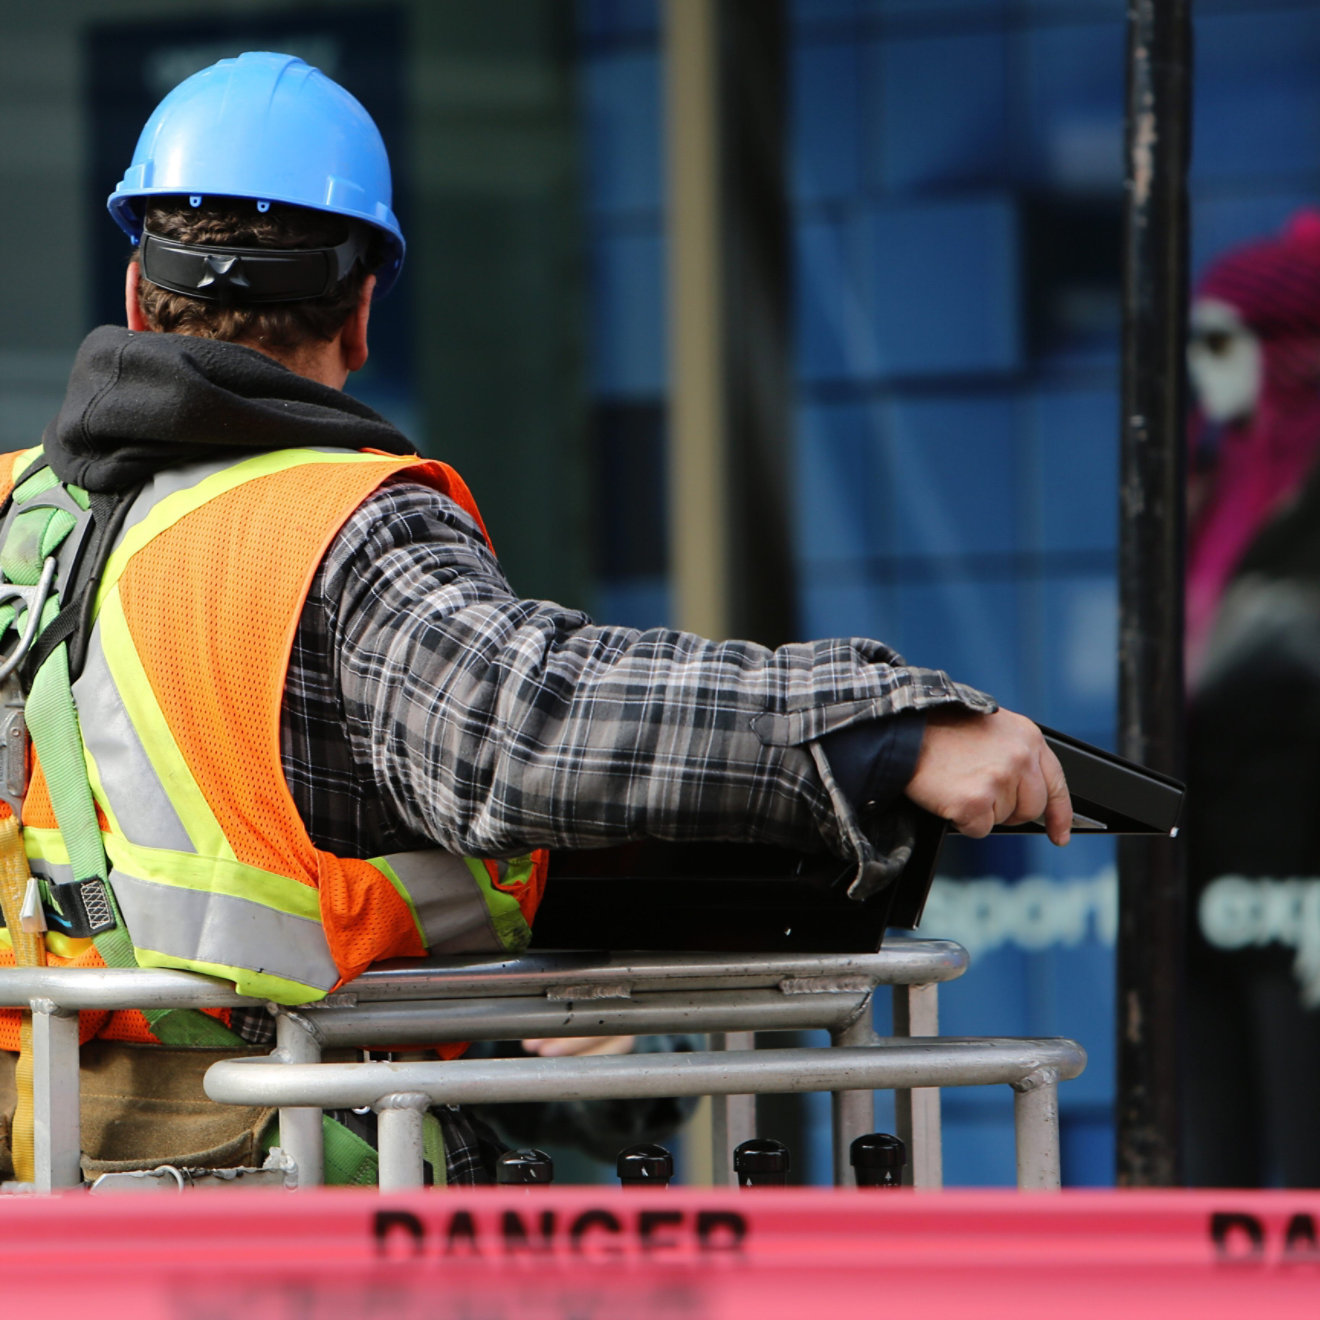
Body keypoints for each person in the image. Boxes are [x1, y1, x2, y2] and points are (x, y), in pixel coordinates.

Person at [0, 52, 1071, 1184]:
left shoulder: (14, 510)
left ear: (133, 295)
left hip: (43, 1196)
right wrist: (885, 729)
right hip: (277, 1204)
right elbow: (530, 720)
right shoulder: (327, 529)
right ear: (363, 312)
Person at [1182, 212, 1320, 1187]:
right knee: (1211, 1150)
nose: (1201, 366)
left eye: (1222, 340)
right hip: (1204, 866)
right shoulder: (1207, 487)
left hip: (1303, 879)